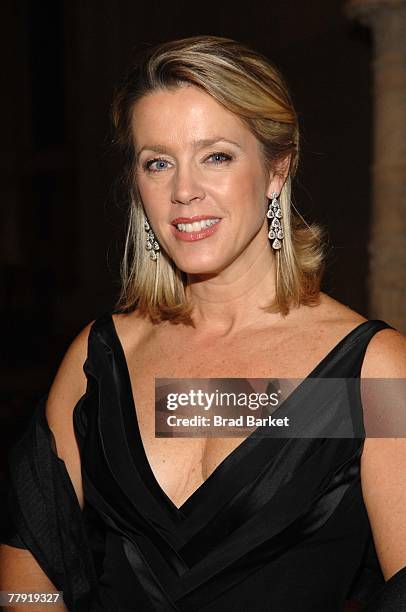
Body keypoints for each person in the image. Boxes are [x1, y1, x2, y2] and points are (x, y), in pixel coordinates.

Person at [1, 35, 406, 612]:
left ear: (276, 169)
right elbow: (30, 564)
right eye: (157, 162)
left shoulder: (367, 375)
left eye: (216, 155)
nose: (184, 191)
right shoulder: (102, 357)